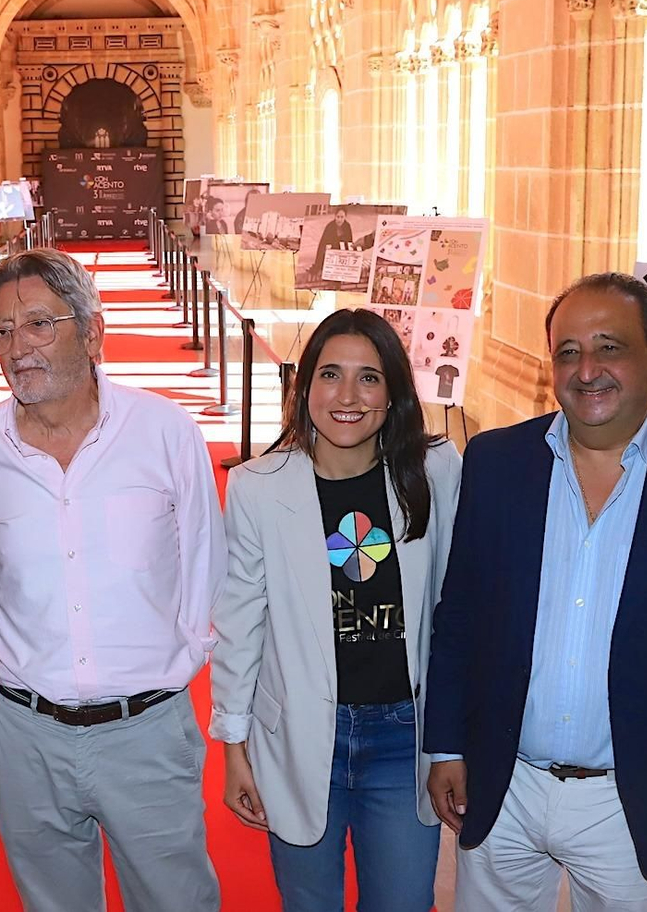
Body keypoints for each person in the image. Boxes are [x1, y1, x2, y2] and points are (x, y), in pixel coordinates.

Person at [423, 272, 647, 911]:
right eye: (568, 351)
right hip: (504, 784)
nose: (587, 370)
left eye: (609, 347)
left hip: (633, 799)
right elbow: (462, 617)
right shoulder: (498, 462)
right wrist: (447, 744)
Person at [0, 248, 225, 912]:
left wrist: (166, 672)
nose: (19, 347)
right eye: (3, 329)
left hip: (147, 732)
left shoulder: (163, 431)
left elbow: (205, 571)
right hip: (28, 737)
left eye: (40, 324)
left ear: (93, 329)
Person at [210, 309, 462, 912]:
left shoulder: (434, 470)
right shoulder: (258, 487)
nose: (347, 396)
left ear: (394, 391)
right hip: (297, 734)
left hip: (404, 738)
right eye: (330, 375)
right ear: (304, 387)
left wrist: (455, 743)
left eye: (369, 378)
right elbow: (240, 621)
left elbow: (455, 610)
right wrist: (233, 746)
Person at [311, 207, 356, 277]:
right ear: (335, 216)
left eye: (342, 217)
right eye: (338, 217)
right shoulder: (330, 226)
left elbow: (349, 242)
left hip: (341, 252)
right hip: (330, 252)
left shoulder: (347, 226)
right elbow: (322, 244)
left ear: (345, 217)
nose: (339, 219)